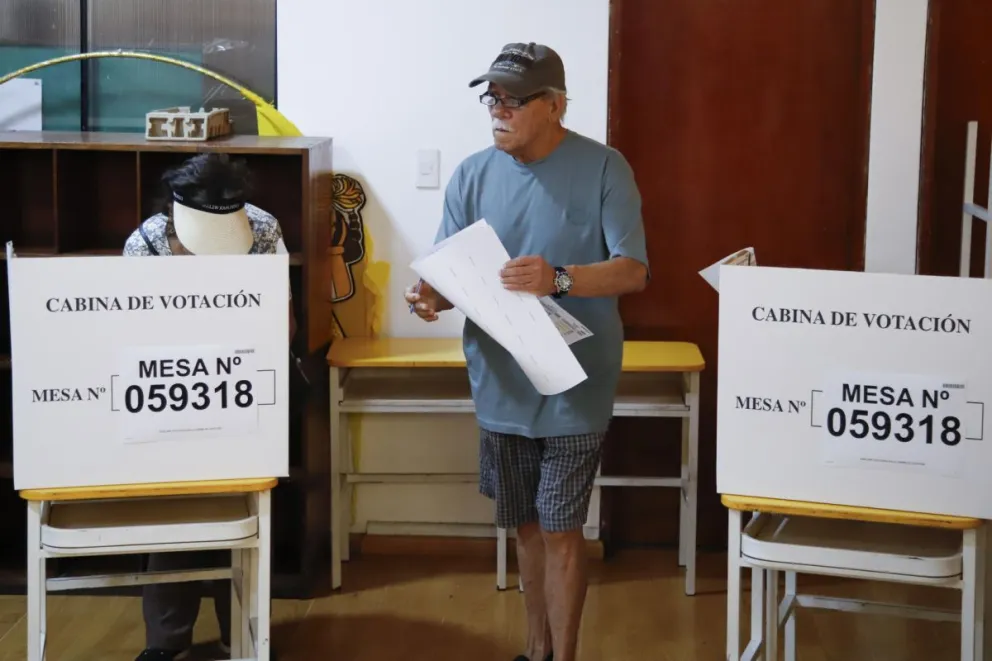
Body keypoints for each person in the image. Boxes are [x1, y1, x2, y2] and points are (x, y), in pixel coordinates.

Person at [405, 43, 649, 661]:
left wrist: (558, 279)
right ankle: (535, 650)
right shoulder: (471, 174)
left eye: (514, 100)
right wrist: (430, 296)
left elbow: (633, 272)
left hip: (575, 383)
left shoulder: (604, 167)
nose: (498, 111)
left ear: (555, 106)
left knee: (564, 528)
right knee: (527, 527)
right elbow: (452, 273)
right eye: (493, 98)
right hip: (500, 383)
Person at [123, 153, 290, 661]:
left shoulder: (262, 229)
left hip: (245, 390)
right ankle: (166, 641)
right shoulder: (146, 242)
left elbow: (284, 326)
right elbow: (128, 337)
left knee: (242, 518)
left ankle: (242, 634)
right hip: (167, 398)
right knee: (172, 518)